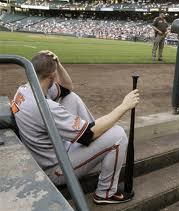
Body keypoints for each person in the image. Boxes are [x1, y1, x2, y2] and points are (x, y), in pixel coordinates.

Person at [11, 50, 140, 204]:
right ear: (51, 76)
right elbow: (89, 134)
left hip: (48, 153)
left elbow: (67, 88)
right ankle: (104, 193)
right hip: (54, 170)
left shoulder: (25, 90)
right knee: (118, 134)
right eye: (55, 73)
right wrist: (124, 106)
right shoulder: (44, 107)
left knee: (71, 98)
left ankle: (93, 144)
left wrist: (58, 65)